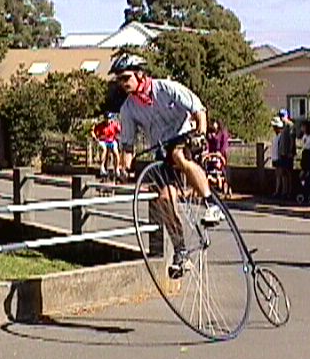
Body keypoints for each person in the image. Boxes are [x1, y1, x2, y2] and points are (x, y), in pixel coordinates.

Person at [110, 52, 222, 279]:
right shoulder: (128, 109)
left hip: (184, 138)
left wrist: (200, 133)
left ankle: (211, 204)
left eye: (126, 78)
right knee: (163, 200)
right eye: (119, 80)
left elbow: (198, 109)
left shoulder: (167, 88)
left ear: (140, 75)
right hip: (161, 151)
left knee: (180, 156)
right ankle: (181, 251)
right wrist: (124, 168)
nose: (123, 84)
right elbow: (128, 146)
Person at [91, 112, 122, 177]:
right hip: (103, 140)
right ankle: (102, 168)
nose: (108, 120)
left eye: (109, 118)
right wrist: (94, 136)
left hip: (112, 140)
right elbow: (93, 130)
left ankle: (116, 169)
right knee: (104, 149)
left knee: (116, 152)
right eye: (107, 119)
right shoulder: (100, 125)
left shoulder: (114, 124)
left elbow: (120, 130)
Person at [277, 109, 297, 198]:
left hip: (288, 153)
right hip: (282, 153)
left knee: (289, 173)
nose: (281, 118)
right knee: (283, 172)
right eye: (280, 116)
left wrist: (290, 151)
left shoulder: (290, 126)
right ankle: (284, 191)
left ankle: (289, 191)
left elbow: (292, 139)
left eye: (282, 116)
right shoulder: (283, 126)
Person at [270, 116, 284, 197]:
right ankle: (277, 190)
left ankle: (279, 190)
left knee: (280, 174)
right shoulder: (275, 137)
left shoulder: (280, 136)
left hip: (279, 157)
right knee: (277, 175)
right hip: (275, 157)